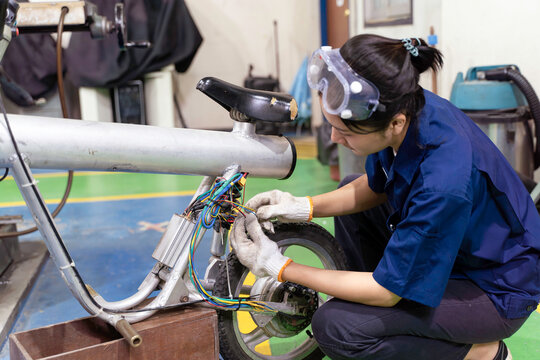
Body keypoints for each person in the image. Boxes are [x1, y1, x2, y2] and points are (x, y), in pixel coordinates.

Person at [230, 34, 540, 360]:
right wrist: (303, 207)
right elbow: (375, 186)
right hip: (456, 252)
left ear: (395, 123)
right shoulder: (408, 107)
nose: (334, 138)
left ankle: (479, 353)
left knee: (337, 327)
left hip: (493, 288)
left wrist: (277, 265)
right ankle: (378, 308)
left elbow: (386, 293)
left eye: (346, 132)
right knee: (349, 187)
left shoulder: (443, 182)